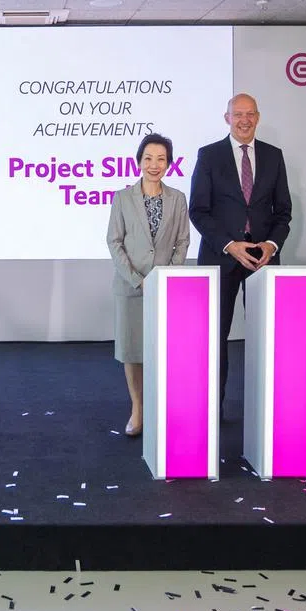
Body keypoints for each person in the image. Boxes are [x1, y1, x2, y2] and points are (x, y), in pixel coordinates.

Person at [189, 93, 292, 408]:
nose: (244, 120)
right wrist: (229, 245)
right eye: (238, 114)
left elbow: (283, 212)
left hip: (263, 260)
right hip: (221, 257)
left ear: (258, 117)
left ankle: (266, 408)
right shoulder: (209, 155)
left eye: (250, 114)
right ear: (227, 118)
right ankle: (212, 407)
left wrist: (270, 245)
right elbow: (198, 210)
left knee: (268, 338)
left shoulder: (274, 156)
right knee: (214, 337)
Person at [106, 133, 190, 437]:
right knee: (132, 352)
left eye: (161, 159)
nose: (154, 165)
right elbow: (114, 242)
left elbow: (182, 241)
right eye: (148, 158)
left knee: (163, 351)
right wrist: (137, 279)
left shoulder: (178, 198)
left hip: (165, 289)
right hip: (130, 288)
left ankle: (162, 408)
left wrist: (169, 277)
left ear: (168, 163)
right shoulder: (122, 197)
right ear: (139, 161)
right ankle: (137, 408)